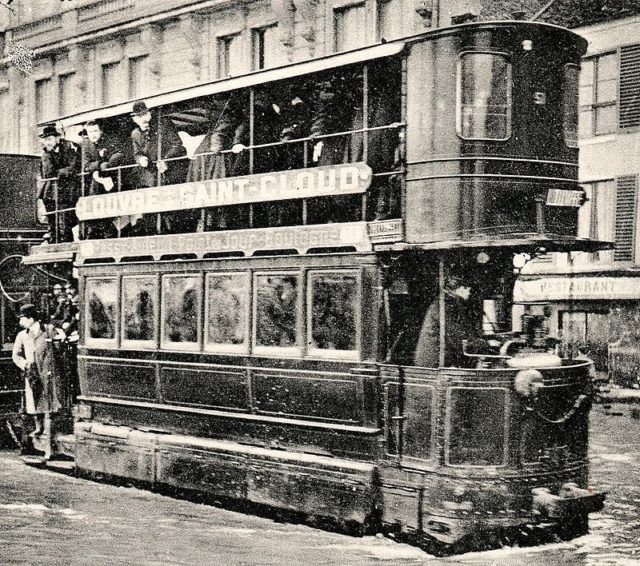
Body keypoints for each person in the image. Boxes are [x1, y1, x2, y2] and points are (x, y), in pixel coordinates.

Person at [11, 304, 62, 459]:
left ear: (31, 318)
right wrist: (25, 364)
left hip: (48, 373)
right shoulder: (22, 335)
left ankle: (49, 447)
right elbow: (16, 355)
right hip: (32, 373)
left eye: (23, 319)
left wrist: (60, 337)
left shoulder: (47, 330)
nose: (21, 322)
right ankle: (39, 429)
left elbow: (58, 348)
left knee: (48, 408)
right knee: (34, 403)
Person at [130, 100, 187, 234]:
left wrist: (166, 160)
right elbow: (137, 153)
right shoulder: (135, 134)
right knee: (152, 208)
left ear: (149, 113)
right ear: (134, 119)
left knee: (173, 208)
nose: (143, 119)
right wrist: (140, 159)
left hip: (171, 172)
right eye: (139, 116)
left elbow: (177, 144)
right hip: (152, 177)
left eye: (144, 114)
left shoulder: (163, 124)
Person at [81, 120, 126, 237]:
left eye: (95, 131)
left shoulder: (108, 141)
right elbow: (86, 165)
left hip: (112, 180)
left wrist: (108, 164)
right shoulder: (86, 145)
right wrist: (100, 165)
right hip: (96, 184)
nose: (93, 134)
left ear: (100, 131)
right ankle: (95, 233)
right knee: (95, 207)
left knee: (110, 208)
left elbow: (119, 155)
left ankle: (109, 232)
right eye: (90, 132)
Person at [37, 125, 80, 242]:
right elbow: (47, 173)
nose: (47, 143)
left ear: (57, 138)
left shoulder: (69, 147)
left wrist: (59, 173)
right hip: (52, 190)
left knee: (66, 219)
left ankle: (65, 238)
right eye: (45, 140)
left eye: (50, 139)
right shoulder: (46, 154)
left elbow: (73, 167)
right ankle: (53, 234)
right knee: (49, 205)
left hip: (68, 188)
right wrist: (47, 154)